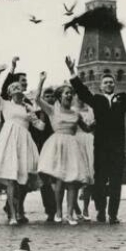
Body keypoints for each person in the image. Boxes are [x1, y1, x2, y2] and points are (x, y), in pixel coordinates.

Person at [66, 56, 126, 224]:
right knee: (100, 179)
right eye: (106, 83)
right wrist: (72, 71)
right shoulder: (97, 100)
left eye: (111, 82)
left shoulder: (122, 99)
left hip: (117, 145)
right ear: (101, 86)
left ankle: (113, 214)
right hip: (101, 145)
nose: (109, 84)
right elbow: (82, 91)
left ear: (114, 84)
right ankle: (101, 210)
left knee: (116, 180)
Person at [34, 76, 94, 225]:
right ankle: (59, 212)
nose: (69, 95)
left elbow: (86, 128)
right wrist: (41, 81)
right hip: (57, 145)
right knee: (60, 180)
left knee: (72, 181)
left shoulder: (75, 114)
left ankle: (70, 214)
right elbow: (37, 99)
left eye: (70, 93)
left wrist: (98, 121)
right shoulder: (52, 110)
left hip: (73, 145)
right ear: (59, 96)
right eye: (66, 93)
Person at [0, 79, 44, 225]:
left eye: (20, 91)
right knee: (11, 179)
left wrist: (39, 117)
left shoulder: (27, 107)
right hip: (9, 141)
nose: (18, 94)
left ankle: (18, 210)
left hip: (24, 143)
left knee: (22, 179)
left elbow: (40, 127)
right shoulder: (4, 104)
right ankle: (12, 214)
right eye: (14, 91)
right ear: (10, 93)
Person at [72, 100, 95, 221]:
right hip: (76, 142)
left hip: (90, 143)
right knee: (75, 177)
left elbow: (93, 128)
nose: (81, 98)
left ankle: (86, 208)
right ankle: (75, 207)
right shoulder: (71, 110)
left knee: (89, 177)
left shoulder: (91, 110)